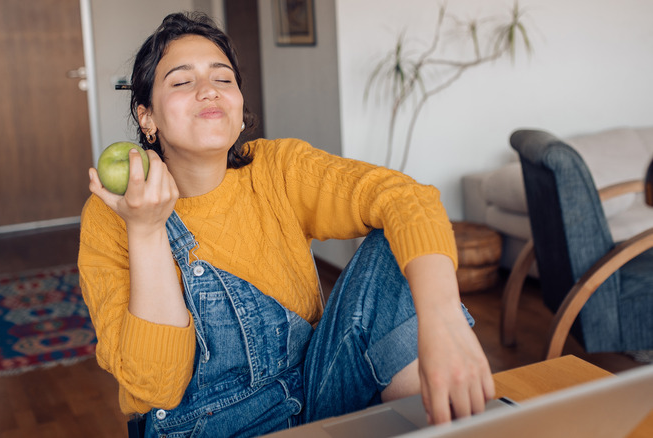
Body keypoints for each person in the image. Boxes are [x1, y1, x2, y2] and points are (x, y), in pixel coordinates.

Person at [78, 12, 494, 438]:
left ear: (239, 109)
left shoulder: (276, 169)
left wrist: (442, 320)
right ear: (147, 118)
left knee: (394, 244)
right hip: (205, 429)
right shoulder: (111, 216)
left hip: (314, 401)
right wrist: (146, 231)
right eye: (182, 82)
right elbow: (156, 387)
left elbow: (406, 197)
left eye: (223, 80)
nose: (208, 91)